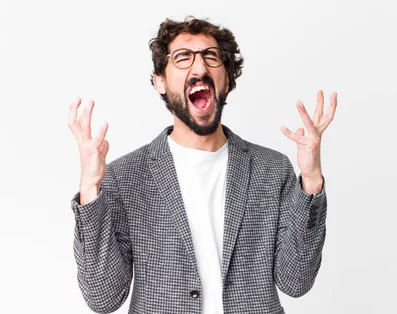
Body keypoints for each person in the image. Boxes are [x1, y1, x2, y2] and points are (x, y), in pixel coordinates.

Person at [67, 16, 337, 314]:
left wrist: (311, 179)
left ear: (227, 80)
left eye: (211, 56)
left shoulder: (272, 169)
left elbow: (296, 281)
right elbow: (102, 297)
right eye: (182, 57)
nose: (199, 67)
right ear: (160, 81)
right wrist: (90, 189)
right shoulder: (126, 175)